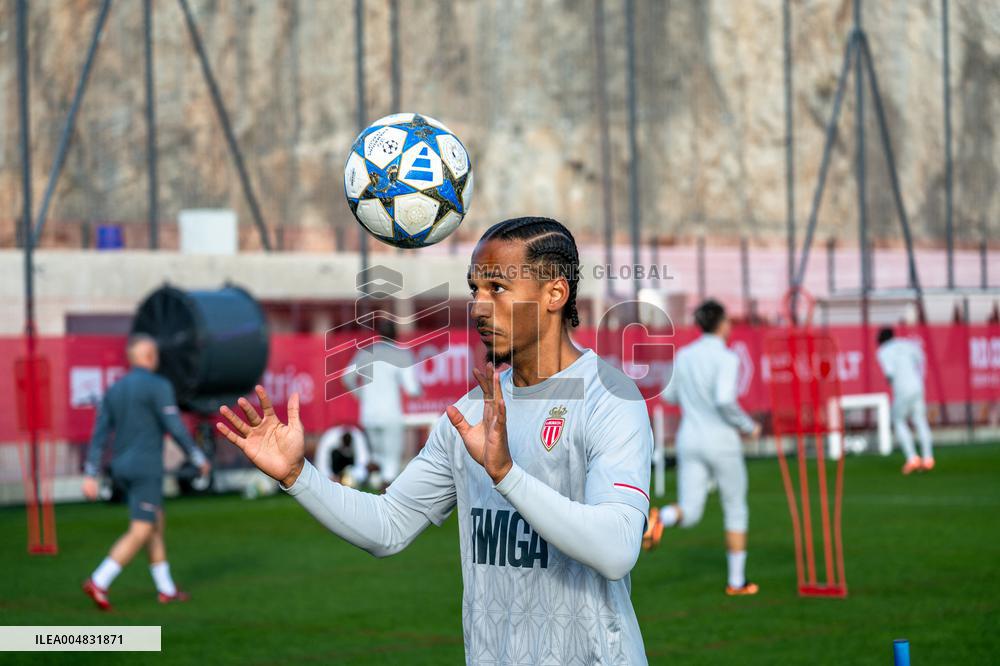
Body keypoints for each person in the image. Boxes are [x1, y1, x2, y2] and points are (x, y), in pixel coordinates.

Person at [218, 217, 653, 664]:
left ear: (554, 295)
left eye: (498, 288)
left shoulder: (608, 397)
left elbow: (617, 550)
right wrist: (298, 475)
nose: (480, 307)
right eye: (475, 290)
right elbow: (389, 526)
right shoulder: (467, 415)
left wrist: (506, 474)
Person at [81, 334, 211, 611]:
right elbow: (174, 426)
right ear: (149, 357)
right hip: (146, 469)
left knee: (155, 522)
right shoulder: (159, 385)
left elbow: (99, 434)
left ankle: (165, 589)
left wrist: (90, 473)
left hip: (121, 469)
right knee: (141, 528)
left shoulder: (114, 389)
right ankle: (99, 580)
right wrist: (197, 455)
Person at [644, 299, 761, 596]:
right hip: (721, 440)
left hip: (690, 438)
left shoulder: (684, 355)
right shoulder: (727, 358)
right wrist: (749, 426)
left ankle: (659, 518)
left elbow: (669, 395)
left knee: (691, 512)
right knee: (735, 507)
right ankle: (736, 582)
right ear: (722, 324)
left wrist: (694, 401)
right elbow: (724, 400)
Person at [342, 319, 422, 486]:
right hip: (390, 415)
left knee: (377, 458)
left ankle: (366, 489)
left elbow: (346, 377)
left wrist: (361, 396)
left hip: (368, 414)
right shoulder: (402, 354)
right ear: (395, 335)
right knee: (391, 462)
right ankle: (386, 496)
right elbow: (412, 388)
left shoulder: (365, 353)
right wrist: (420, 391)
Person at [876, 326, 934, 474]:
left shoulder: (883, 351)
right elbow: (921, 359)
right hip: (917, 385)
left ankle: (912, 458)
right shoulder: (907, 344)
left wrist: (894, 384)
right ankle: (928, 458)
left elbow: (889, 374)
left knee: (898, 420)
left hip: (902, 389)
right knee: (920, 420)